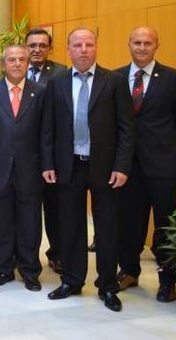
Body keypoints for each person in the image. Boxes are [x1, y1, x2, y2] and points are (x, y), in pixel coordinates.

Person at [44, 28, 135, 312]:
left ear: (96, 48)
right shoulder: (56, 82)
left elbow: (126, 129)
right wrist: (48, 163)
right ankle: (72, 280)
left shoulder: (114, 81)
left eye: (89, 44)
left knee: (107, 228)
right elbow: (48, 128)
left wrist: (122, 166)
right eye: (77, 45)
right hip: (68, 166)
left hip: (105, 168)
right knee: (70, 226)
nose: (83, 49)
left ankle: (107, 285)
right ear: (68, 50)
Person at [116, 27, 176, 302]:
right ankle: (128, 271)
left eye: (147, 42)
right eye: (136, 42)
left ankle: (167, 281)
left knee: (164, 225)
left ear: (157, 45)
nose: (142, 47)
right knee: (129, 223)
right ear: (129, 44)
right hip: (126, 167)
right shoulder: (115, 78)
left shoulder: (175, 79)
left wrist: (165, 150)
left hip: (162, 167)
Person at [0, 45, 51, 292]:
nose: (17, 64)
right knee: (0, 222)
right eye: (12, 60)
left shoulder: (40, 92)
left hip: (30, 169)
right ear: (3, 65)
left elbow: (46, 133)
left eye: (22, 59)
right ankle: (5, 268)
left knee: (30, 222)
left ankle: (30, 271)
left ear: (28, 63)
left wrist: (47, 165)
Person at [24, 27, 67, 274]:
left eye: (42, 45)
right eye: (32, 45)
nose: (37, 50)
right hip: (23, 154)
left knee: (54, 209)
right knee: (27, 209)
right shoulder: (13, 69)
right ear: (26, 47)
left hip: (52, 154)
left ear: (50, 49)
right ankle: (25, 254)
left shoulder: (61, 73)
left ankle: (57, 253)